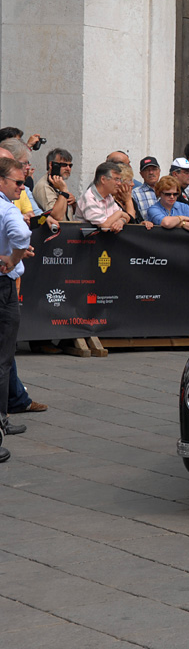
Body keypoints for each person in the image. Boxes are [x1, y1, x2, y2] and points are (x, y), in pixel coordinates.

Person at [0, 155, 35, 460]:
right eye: (18, 182)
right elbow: (22, 235)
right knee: (2, 359)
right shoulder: (6, 209)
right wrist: (14, 257)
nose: (22, 188)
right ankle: (0, 423)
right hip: (2, 287)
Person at [76, 162, 133, 232]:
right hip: (88, 241)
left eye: (119, 180)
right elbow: (105, 226)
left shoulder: (108, 196)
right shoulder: (89, 198)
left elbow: (126, 217)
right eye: (116, 179)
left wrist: (120, 222)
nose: (119, 183)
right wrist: (119, 213)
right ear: (103, 179)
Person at [33, 147, 77, 222]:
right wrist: (63, 191)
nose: (68, 168)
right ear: (51, 165)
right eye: (64, 165)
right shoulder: (44, 186)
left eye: (70, 165)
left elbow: (68, 214)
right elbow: (58, 216)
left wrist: (73, 203)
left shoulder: (59, 184)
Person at [114, 164, 154, 229]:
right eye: (129, 181)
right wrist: (128, 201)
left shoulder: (132, 200)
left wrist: (143, 223)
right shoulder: (112, 202)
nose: (133, 184)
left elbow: (137, 222)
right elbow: (130, 221)